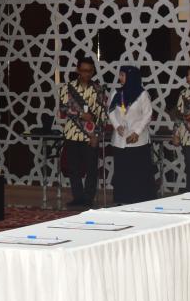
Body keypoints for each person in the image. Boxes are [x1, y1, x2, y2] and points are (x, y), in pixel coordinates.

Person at [58, 57, 107, 207]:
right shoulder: (68, 88)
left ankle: (88, 199)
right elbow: (63, 108)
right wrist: (80, 115)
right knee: (74, 169)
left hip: (90, 136)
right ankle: (78, 198)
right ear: (77, 70)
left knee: (91, 169)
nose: (86, 73)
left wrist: (96, 135)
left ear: (93, 71)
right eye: (84, 70)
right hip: (72, 134)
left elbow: (102, 115)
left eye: (90, 71)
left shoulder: (98, 89)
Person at [107, 65, 157, 204]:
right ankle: (122, 200)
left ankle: (141, 201)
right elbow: (110, 111)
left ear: (131, 77)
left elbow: (148, 114)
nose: (120, 78)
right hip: (120, 140)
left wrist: (137, 132)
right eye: (120, 75)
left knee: (138, 173)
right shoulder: (116, 93)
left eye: (123, 75)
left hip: (138, 140)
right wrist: (116, 126)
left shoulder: (142, 94)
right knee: (122, 172)